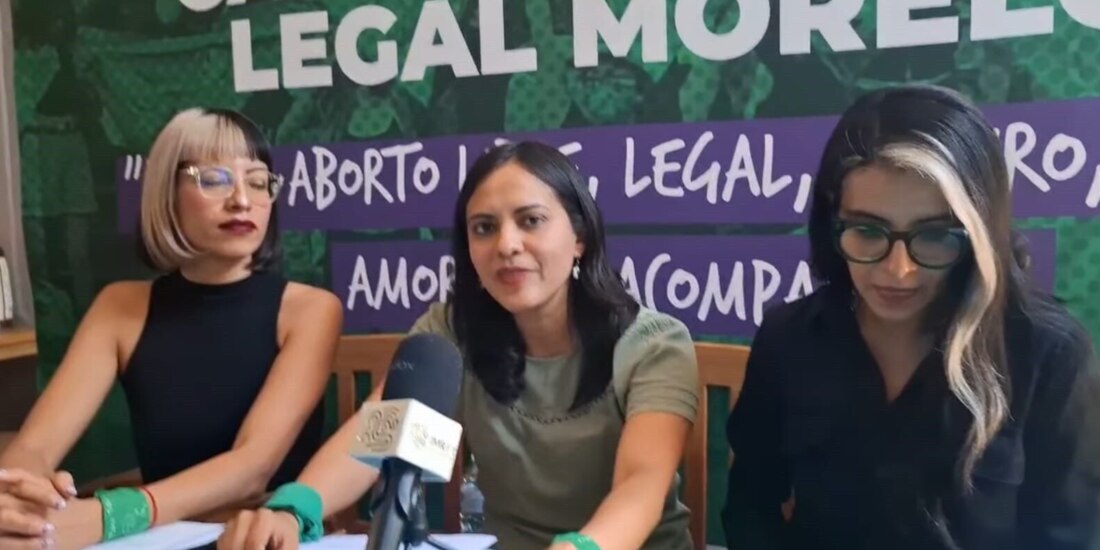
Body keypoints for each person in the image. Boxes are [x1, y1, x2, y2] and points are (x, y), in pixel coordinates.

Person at [216, 141, 701, 550]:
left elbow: (642, 484)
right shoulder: (451, 329)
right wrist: (297, 507)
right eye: (484, 228)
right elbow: (382, 434)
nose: (506, 244)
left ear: (579, 238)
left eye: (530, 221)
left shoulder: (654, 345)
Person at [722, 84, 1100, 549]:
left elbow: (1066, 535)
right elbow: (750, 505)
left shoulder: (1049, 352)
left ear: (979, 230)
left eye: (935, 235)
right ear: (830, 219)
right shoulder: (788, 338)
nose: (899, 270)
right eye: (867, 230)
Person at [0, 108, 343, 550]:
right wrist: (18, 496)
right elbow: (36, 446)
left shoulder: (311, 309)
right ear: (167, 191)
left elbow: (252, 467)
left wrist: (110, 515)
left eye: (258, 181)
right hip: (156, 538)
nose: (242, 199)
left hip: (263, 539)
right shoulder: (120, 306)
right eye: (215, 179)